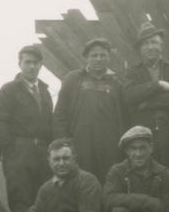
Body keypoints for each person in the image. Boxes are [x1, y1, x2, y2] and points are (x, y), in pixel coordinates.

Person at [53, 37, 127, 183]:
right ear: (86, 58)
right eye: (94, 55)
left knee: (109, 184)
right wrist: (65, 144)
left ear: (108, 57)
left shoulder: (116, 83)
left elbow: (124, 116)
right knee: (83, 185)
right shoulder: (73, 79)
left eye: (103, 55)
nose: (98, 59)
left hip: (110, 147)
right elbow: (59, 115)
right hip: (81, 147)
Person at [0, 44, 54, 212]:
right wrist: (11, 151)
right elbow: (0, 121)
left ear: (41, 65)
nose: (32, 66)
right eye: (28, 62)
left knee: (44, 200)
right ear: (20, 64)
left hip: (43, 153)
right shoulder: (8, 90)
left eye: (36, 62)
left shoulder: (45, 91)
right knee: (21, 202)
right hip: (18, 153)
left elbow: (49, 122)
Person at [122, 22, 169, 169]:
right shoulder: (132, 73)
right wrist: (157, 85)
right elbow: (129, 96)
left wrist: (148, 103)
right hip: (144, 136)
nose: (150, 47)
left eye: (154, 42)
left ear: (161, 46)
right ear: (139, 49)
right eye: (145, 43)